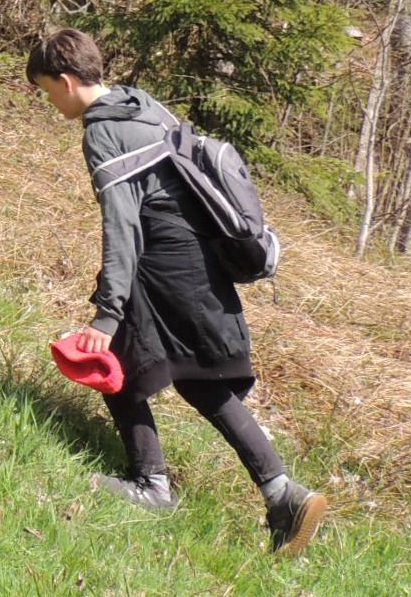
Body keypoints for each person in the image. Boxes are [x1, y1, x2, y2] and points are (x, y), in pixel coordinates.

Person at [27, 29, 329, 555]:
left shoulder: (104, 131)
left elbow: (123, 227)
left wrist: (107, 314)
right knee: (198, 378)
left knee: (118, 368)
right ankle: (283, 494)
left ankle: (153, 485)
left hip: (162, 267)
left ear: (68, 81)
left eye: (48, 91)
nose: (51, 102)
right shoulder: (142, 106)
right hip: (199, 261)